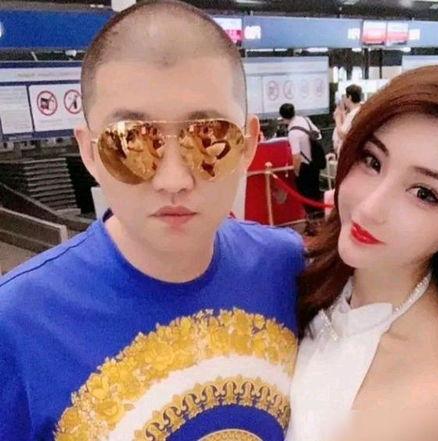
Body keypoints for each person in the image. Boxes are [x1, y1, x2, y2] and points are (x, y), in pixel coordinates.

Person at [0, 2, 305, 440]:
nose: (173, 180)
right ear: (88, 151)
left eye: (210, 139)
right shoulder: (17, 324)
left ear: (250, 143)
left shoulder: (290, 270)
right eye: (130, 143)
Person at [286, 65, 438, 441]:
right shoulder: (300, 272)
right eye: (372, 161)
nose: (370, 207)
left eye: (424, 194)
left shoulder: (424, 395)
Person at [279, 103, 323, 235]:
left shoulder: (293, 133)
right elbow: (318, 135)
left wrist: (296, 172)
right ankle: (320, 223)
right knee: (316, 194)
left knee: (306, 196)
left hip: (305, 168)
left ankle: (313, 225)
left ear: (283, 117)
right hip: (315, 163)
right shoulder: (305, 119)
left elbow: (296, 156)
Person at [332, 84, 363, 156]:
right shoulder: (360, 111)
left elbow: (342, 134)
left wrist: (337, 119)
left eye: (346, 96)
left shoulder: (353, 114)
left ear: (349, 97)